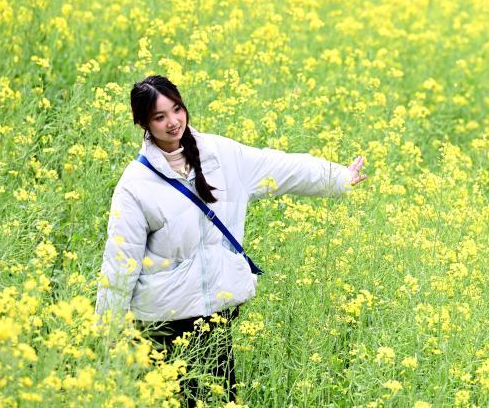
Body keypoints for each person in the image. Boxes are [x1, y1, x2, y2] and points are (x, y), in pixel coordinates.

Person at [94, 75, 367, 405]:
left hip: (214, 315)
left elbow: (281, 168)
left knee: (221, 399)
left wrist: (338, 178)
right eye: (159, 117)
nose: (173, 122)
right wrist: (108, 334)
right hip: (164, 324)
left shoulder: (220, 155)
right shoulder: (136, 185)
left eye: (177, 109)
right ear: (143, 124)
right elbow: (120, 263)